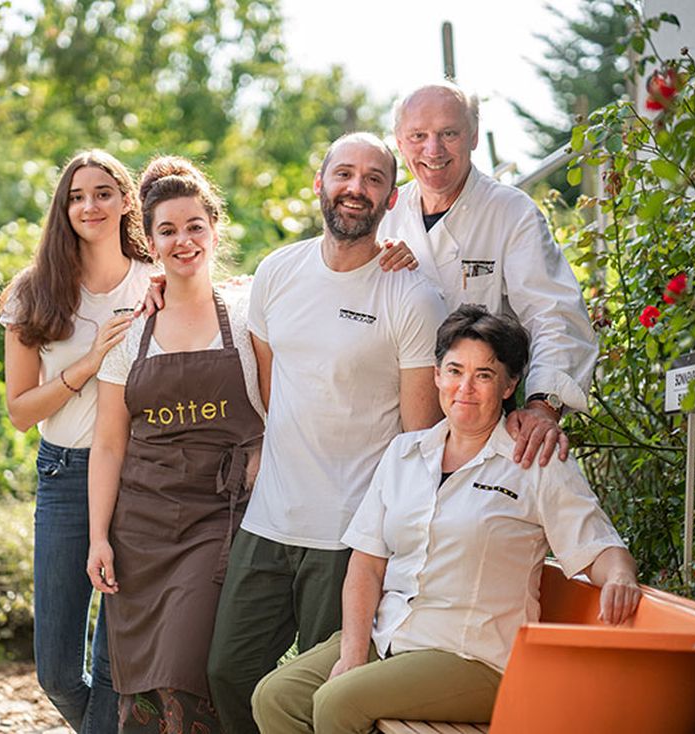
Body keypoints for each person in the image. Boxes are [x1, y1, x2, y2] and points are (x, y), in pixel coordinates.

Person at [250, 305, 641, 734]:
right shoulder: (404, 454)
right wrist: (353, 653)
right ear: (436, 375)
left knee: (338, 702)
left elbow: (598, 546)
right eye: (455, 371)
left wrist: (620, 576)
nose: (465, 388)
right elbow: (366, 564)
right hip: (390, 637)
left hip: (472, 657)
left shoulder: (535, 461)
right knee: (276, 697)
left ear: (510, 384)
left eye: (484, 375)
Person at [206, 132, 448, 734]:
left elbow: (419, 435)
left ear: (392, 199)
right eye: (343, 174)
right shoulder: (277, 272)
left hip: (350, 535)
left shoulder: (412, 296)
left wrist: (394, 540)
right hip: (270, 518)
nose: (355, 188)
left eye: (373, 178)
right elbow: (270, 390)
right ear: (319, 183)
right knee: (227, 672)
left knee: (326, 697)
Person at [87, 156, 265, 733]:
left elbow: (278, 412)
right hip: (141, 527)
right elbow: (108, 445)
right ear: (150, 242)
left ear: (215, 230)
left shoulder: (250, 316)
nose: (183, 240)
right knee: (141, 686)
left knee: (186, 668)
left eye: (194, 227)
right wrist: (98, 537)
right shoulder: (129, 332)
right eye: (167, 230)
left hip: (218, 519)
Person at [0, 149, 157, 733]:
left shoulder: (154, 280)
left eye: (103, 193)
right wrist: (88, 364)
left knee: (117, 668)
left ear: (126, 201)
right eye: (76, 197)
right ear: (63, 209)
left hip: (141, 477)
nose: (90, 206)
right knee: (58, 673)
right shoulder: (34, 292)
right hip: (65, 475)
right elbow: (20, 412)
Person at [378, 82, 599, 469]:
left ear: (474, 136)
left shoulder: (511, 212)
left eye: (449, 133)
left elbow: (555, 315)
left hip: (485, 428)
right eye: (418, 136)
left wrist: (542, 406)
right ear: (399, 141)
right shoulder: (383, 213)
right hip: (391, 432)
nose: (433, 150)